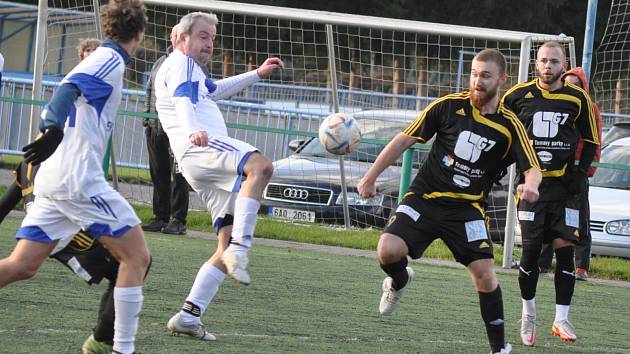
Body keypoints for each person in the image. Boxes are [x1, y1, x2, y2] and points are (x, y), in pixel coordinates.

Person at [357, 48, 542, 354]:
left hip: (467, 210)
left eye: (485, 75)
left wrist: (531, 187)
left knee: (484, 274)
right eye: (474, 74)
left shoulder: (510, 125)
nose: (477, 81)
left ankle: (500, 349)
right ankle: (399, 280)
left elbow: (532, 167)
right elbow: (404, 139)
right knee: (388, 251)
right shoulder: (448, 106)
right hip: (425, 198)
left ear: (502, 80)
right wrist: (370, 177)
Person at [0, 1, 150, 354]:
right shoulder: (109, 59)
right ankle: (121, 348)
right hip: (76, 178)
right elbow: (67, 88)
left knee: (22, 265)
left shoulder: (107, 59)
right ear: (140, 35)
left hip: (53, 179)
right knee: (137, 258)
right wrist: (51, 127)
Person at [154, 11, 283, 340]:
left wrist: (257, 73)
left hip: (195, 159)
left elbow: (212, 90)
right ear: (181, 38)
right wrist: (194, 129)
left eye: (212, 37)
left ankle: (188, 315)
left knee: (221, 247)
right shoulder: (180, 64)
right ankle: (242, 248)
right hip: (202, 146)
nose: (209, 43)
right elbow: (183, 100)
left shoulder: (190, 69)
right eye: (202, 36)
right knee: (261, 167)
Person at [502, 42, 600, 346]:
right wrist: (496, 169)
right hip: (531, 188)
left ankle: (561, 319)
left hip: (566, 189)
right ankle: (528, 314)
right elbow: (501, 132)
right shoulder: (517, 96)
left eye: (554, 61)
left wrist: (580, 174)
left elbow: (592, 141)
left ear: (564, 64)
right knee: (531, 251)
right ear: (536, 63)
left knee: (565, 252)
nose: (548, 66)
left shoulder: (577, 98)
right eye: (543, 60)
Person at [537, 67, 603, 281]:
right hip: (556, 171)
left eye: (576, 84)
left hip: (576, 172)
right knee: (548, 216)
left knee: (579, 218)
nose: (571, 88)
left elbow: (595, 142)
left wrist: (584, 170)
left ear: (584, 87)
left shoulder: (590, 108)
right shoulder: (557, 104)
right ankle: (542, 263)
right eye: (568, 83)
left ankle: (581, 266)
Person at [141, 24, 190, 235]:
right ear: (171, 38)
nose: (177, 39)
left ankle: (178, 220)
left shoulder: (191, 64)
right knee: (158, 172)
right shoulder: (160, 62)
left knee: (179, 175)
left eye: (181, 35)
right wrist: (147, 118)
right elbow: (149, 90)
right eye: (174, 35)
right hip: (154, 127)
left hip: (177, 130)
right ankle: (160, 216)